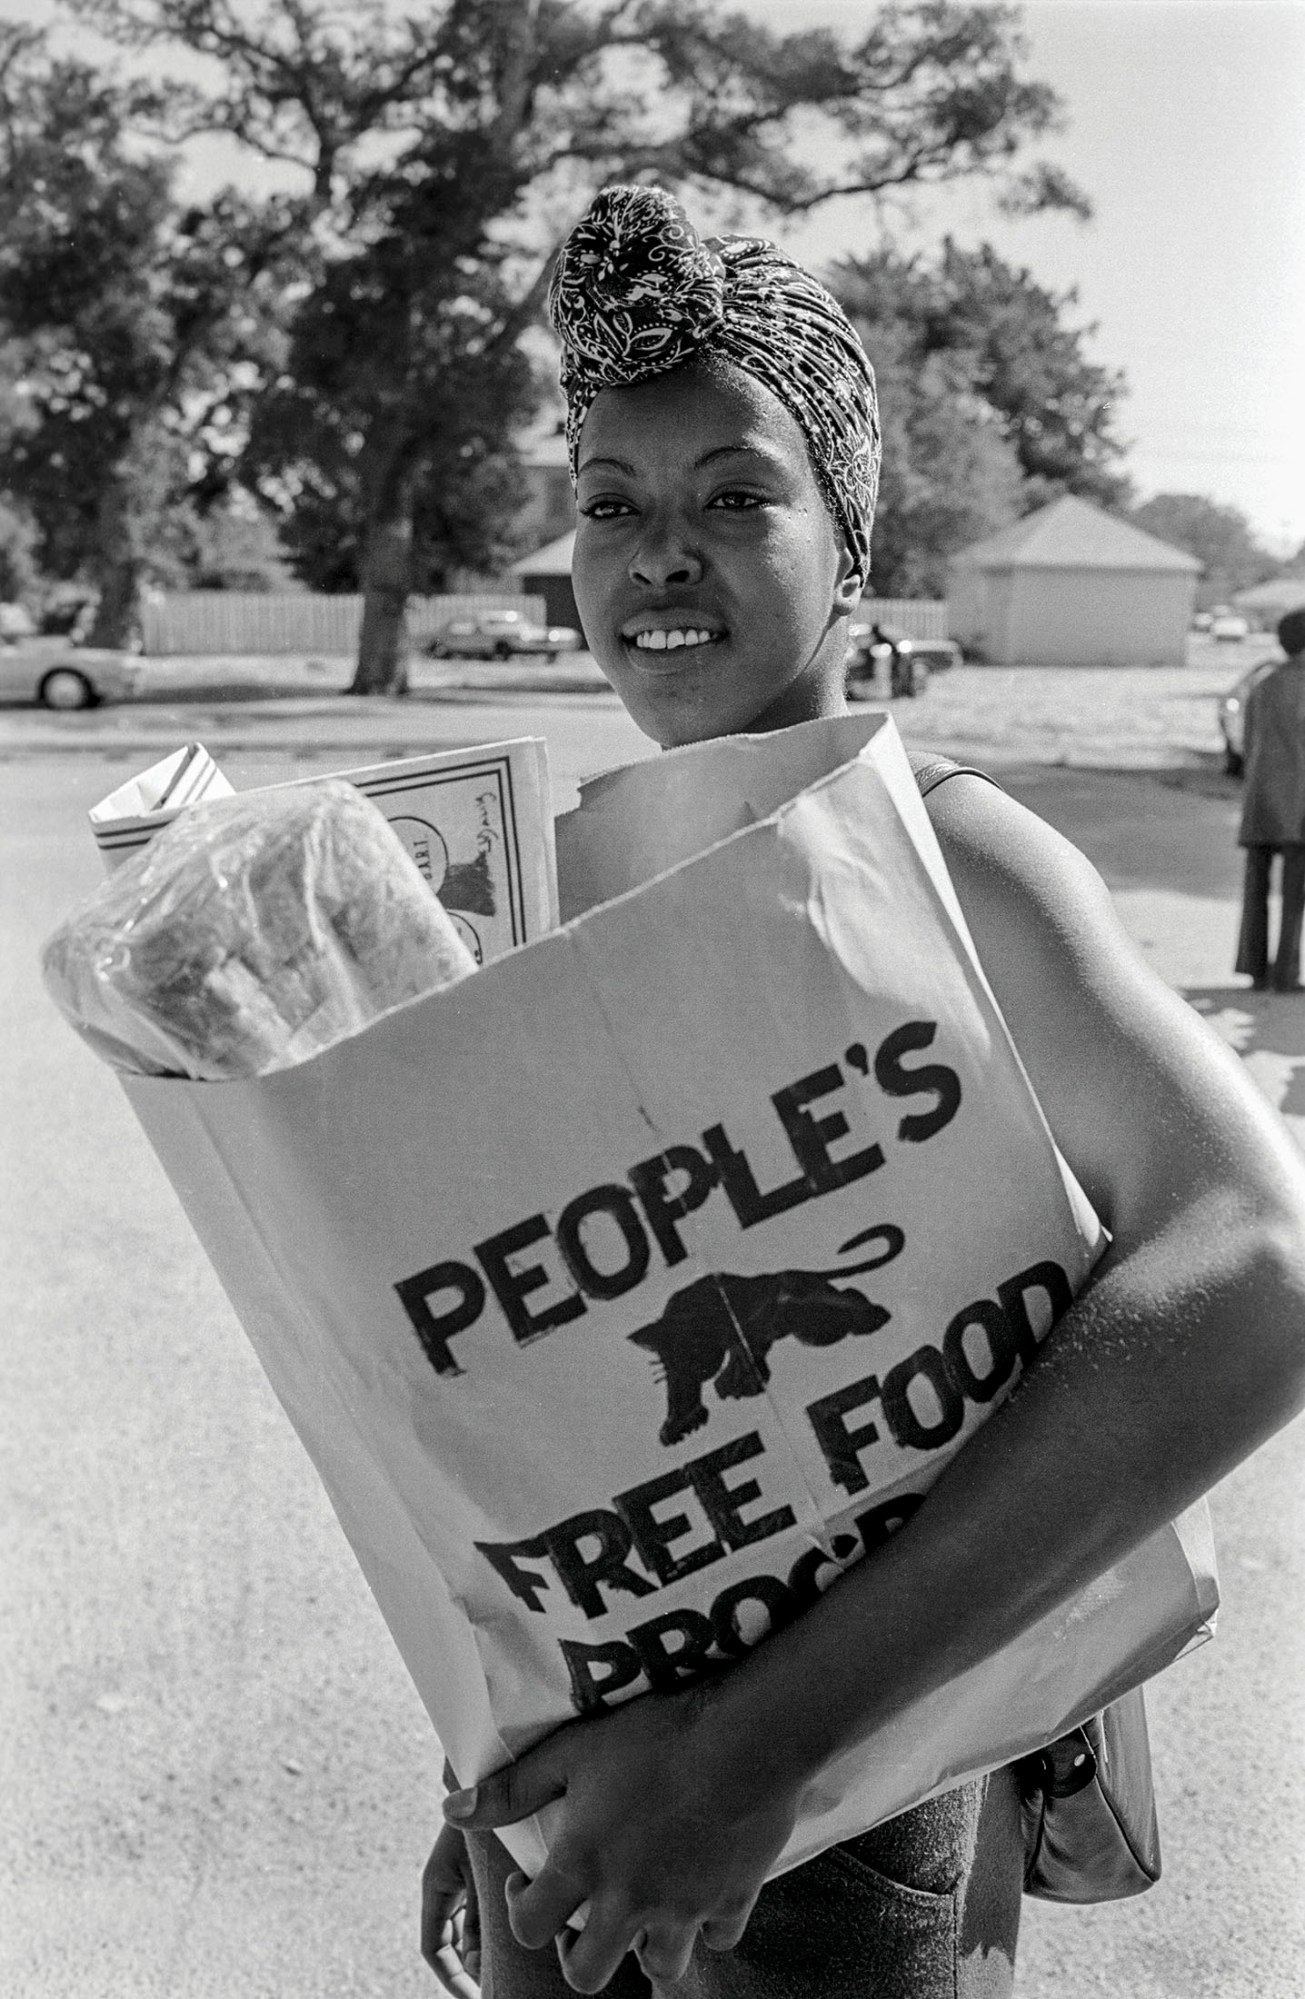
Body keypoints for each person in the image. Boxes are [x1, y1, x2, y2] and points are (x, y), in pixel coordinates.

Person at [421, 187, 1305, 1999]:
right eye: (611, 504)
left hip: (857, 1807)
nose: (662, 553)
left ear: (850, 534)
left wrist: (751, 1751)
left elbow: (1259, 1261)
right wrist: (486, 1744)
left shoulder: (950, 857)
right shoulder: (587, 887)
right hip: (589, 1796)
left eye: (737, 494)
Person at [1234, 608, 1305, 992]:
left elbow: (1247, 746)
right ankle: (1287, 972)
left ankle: (1255, 967)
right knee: (1295, 894)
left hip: (1261, 802)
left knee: (1256, 888)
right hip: (1299, 804)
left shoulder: (1264, 685)